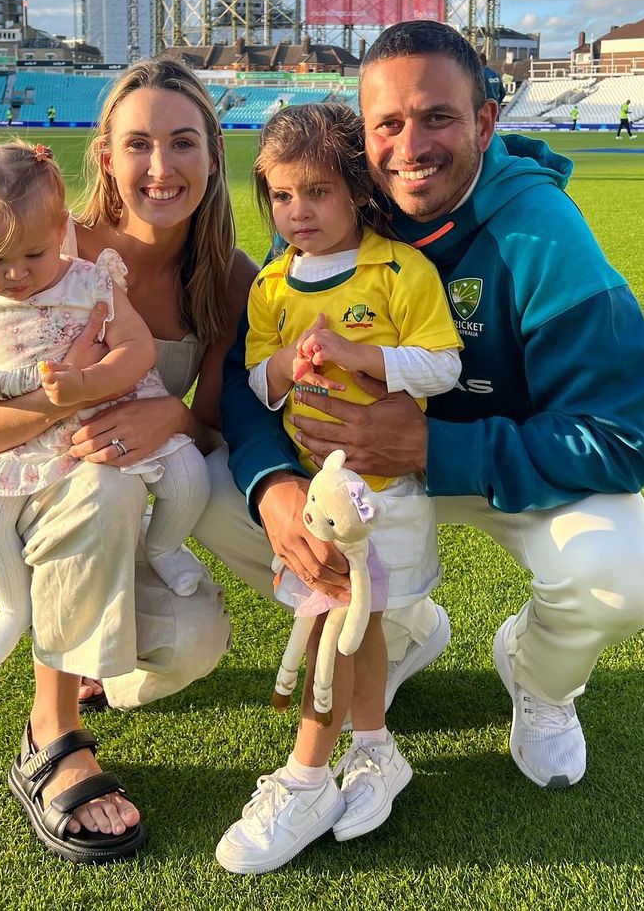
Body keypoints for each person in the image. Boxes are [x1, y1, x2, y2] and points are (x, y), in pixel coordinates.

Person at [207, 20, 644, 803]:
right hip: (365, 479)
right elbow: (242, 374)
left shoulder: (546, 235)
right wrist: (272, 486)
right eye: (388, 124)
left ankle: (540, 679)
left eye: (438, 118)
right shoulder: (343, 216)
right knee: (221, 495)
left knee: (614, 576)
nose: (410, 147)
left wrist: (429, 445)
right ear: (364, 138)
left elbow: (624, 439)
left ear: (485, 122)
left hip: (502, 464)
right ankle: (403, 631)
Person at [0, 59, 250, 862]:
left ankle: (86, 653)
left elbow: (211, 419)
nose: (161, 167)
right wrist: (58, 399)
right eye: (138, 144)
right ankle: (53, 730)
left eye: (183, 142)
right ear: (105, 155)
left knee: (196, 642)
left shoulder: (230, 278)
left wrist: (168, 410)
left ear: (213, 152)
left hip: (118, 529)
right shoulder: (41, 246)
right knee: (99, 488)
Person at [216, 102, 462, 874]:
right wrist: (288, 367)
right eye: (282, 197)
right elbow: (255, 384)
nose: (297, 213)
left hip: (385, 493)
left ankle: (307, 775)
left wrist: (362, 357)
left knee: (337, 629)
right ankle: (377, 750)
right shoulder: (272, 285)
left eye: (316, 193)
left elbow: (444, 366)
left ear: (355, 189)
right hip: (318, 501)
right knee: (359, 627)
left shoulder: (398, 269)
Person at [0, 140, 210, 668]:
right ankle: (13, 609)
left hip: (106, 412)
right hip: (26, 440)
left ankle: (165, 549)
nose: (16, 275)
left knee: (188, 477)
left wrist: (90, 382)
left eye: (33, 254)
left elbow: (136, 345)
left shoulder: (89, 279)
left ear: (62, 230)